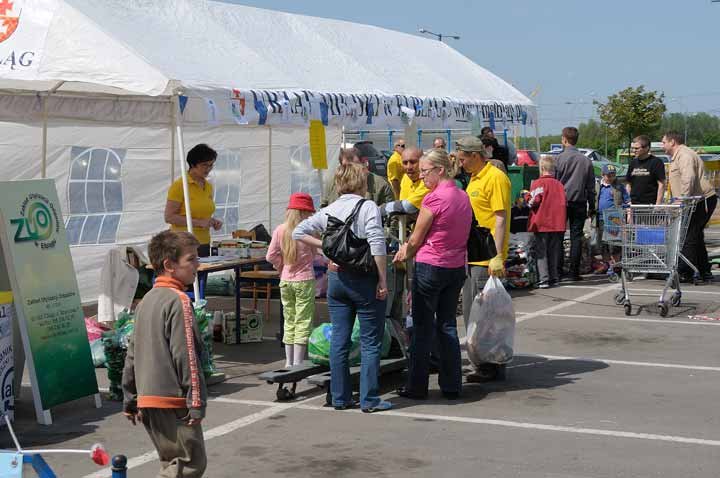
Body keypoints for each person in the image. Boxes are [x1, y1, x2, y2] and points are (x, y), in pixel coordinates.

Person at [293, 163, 392, 413]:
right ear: (362, 183)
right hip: (364, 278)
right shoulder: (368, 206)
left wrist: (328, 250)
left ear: (338, 184)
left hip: (337, 279)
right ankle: (369, 399)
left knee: (340, 338)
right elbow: (377, 244)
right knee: (371, 341)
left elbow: (298, 231)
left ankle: (340, 397)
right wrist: (382, 279)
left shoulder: (330, 209)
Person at [122, 230, 207, 478]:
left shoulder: (146, 301)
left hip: (149, 399)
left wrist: (130, 397)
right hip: (173, 401)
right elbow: (187, 355)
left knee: (172, 462)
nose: (197, 265)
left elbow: (132, 355)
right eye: (191, 259)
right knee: (188, 465)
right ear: (169, 265)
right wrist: (196, 401)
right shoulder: (178, 301)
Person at [392, 149, 471, 400]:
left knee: (423, 327)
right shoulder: (462, 196)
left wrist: (405, 251)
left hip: (431, 266)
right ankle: (452, 384)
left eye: (425, 171)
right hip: (456, 266)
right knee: (447, 325)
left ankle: (416, 385)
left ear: (440, 170)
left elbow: (416, 237)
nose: (422, 176)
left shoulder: (433, 199)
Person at [456, 136, 511, 381]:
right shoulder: (475, 178)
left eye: (462, 158)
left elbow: (500, 218)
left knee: (485, 317)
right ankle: (483, 362)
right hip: (473, 255)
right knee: (473, 315)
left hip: (485, 259)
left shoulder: (495, 178)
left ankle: (490, 365)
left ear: (475, 155)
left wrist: (496, 257)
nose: (460, 163)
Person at [266, 193, 317, 368]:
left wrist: (281, 267)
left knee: (289, 319)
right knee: (303, 320)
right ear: (303, 212)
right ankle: (298, 361)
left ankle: (288, 362)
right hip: (305, 280)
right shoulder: (308, 231)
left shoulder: (280, 229)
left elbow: (270, 255)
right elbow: (316, 254)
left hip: (286, 280)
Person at [662, 131, 718, 282]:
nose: (662, 145)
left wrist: (683, 199)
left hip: (700, 200)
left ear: (672, 142)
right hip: (696, 200)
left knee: (689, 235)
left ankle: (684, 272)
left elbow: (689, 178)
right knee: (695, 235)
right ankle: (704, 270)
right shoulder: (678, 156)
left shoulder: (684, 155)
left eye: (664, 142)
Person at [164, 144, 223, 257]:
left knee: (202, 273)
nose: (208, 169)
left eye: (211, 165)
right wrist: (199, 223)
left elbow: (201, 212)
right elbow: (169, 217)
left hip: (203, 242)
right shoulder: (180, 185)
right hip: (183, 243)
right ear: (192, 164)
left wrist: (213, 221)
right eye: (204, 165)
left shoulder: (208, 186)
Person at [555, 126, 595, 281]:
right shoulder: (586, 161)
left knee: (558, 236)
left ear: (564, 139)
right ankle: (574, 272)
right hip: (579, 201)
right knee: (576, 237)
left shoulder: (558, 159)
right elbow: (591, 187)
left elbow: (554, 182)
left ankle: (558, 272)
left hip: (561, 202)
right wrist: (592, 206)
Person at [528, 157, 567, 289]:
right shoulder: (560, 185)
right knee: (553, 251)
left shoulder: (538, 183)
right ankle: (554, 277)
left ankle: (544, 279)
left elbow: (534, 201)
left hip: (541, 222)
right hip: (557, 224)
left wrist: (526, 196)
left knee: (541, 252)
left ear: (542, 168)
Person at [322, 148, 395, 208]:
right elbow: (323, 208)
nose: (351, 170)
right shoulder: (332, 182)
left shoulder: (380, 184)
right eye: (346, 167)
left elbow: (391, 217)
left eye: (355, 166)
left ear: (364, 162)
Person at [595, 164, 629, 273]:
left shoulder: (619, 186)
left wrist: (628, 214)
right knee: (603, 243)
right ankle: (606, 264)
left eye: (613, 175)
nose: (611, 178)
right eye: (608, 175)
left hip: (614, 218)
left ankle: (616, 265)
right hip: (600, 218)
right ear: (603, 175)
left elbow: (627, 201)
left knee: (614, 243)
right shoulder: (598, 186)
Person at [381, 147, 429, 216]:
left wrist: (376, 210)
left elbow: (408, 206)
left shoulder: (428, 180)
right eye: (405, 163)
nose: (409, 167)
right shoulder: (406, 178)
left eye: (413, 162)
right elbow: (401, 206)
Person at [626, 135, 666, 205]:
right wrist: (628, 200)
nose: (633, 150)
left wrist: (658, 203)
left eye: (636, 148)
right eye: (632, 148)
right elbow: (629, 184)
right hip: (634, 204)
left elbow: (661, 184)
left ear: (646, 148)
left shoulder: (656, 162)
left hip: (650, 205)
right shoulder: (633, 162)